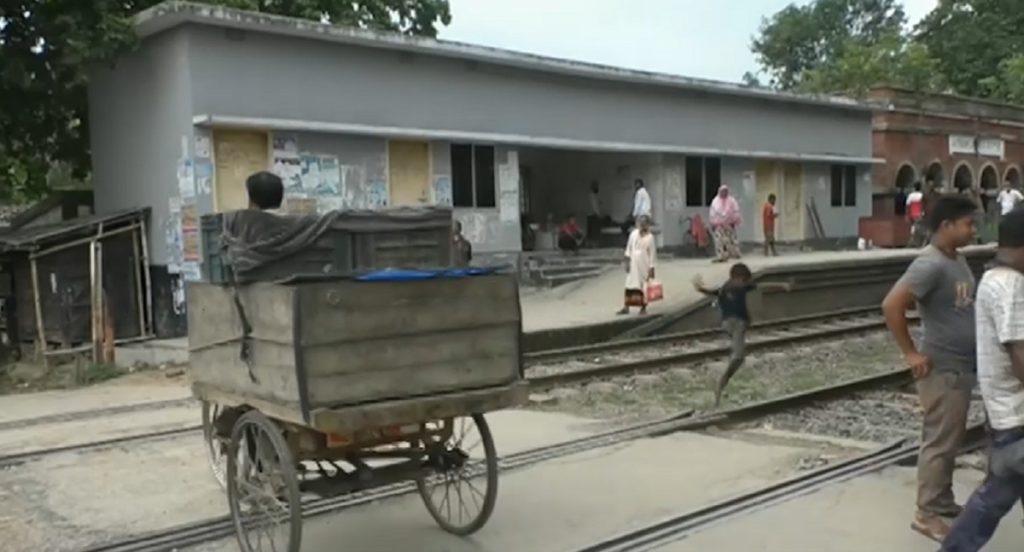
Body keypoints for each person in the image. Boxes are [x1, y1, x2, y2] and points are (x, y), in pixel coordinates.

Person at [881, 194, 979, 542]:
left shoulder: (956, 259)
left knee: (949, 439)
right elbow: (892, 305)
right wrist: (911, 353)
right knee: (939, 442)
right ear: (946, 225)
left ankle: (942, 500)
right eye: (968, 224)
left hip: (960, 366)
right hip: (943, 368)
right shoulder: (930, 264)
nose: (973, 230)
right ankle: (926, 513)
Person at [940, 208, 1024, 552]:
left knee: (993, 499)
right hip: (1017, 416)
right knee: (991, 501)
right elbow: (1020, 356)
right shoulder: (1011, 286)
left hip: (1005, 413)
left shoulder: (992, 278)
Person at [692, 264, 792, 405]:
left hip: (728, 324)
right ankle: (721, 382)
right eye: (745, 279)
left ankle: (722, 381)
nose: (747, 282)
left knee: (738, 353)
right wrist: (782, 285)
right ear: (739, 278)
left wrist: (700, 288)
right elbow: (763, 286)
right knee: (738, 356)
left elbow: (712, 292)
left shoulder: (724, 288)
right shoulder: (740, 286)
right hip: (737, 323)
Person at [617, 215, 656, 316]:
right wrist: (627, 262)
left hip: (644, 265)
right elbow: (628, 248)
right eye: (641, 222)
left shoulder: (650, 237)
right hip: (633, 264)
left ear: (648, 224)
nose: (642, 225)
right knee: (629, 285)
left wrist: (652, 267)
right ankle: (626, 307)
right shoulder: (633, 234)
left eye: (645, 223)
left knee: (643, 287)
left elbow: (652, 253)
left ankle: (643, 307)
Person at [709, 185, 742, 262]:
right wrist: (713, 223)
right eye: (722, 191)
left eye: (725, 191)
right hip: (719, 225)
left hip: (729, 225)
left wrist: (735, 221)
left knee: (731, 240)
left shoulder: (732, 201)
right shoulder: (715, 201)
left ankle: (733, 254)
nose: (724, 193)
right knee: (719, 242)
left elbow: (736, 211)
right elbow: (712, 213)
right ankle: (721, 256)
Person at [907, 182, 926, 247]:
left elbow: (908, 205)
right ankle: (920, 241)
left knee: (913, 226)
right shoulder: (922, 195)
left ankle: (912, 239)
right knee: (921, 226)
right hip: (920, 212)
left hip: (912, 212)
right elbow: (923, 204)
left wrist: (907, 214)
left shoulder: (910, 195)